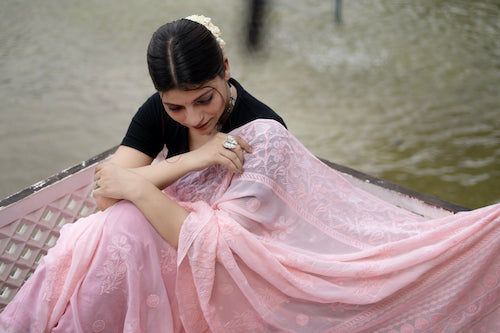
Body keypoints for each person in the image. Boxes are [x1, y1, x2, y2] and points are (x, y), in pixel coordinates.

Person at [1, 15, 499, 333]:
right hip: (165, 250)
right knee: (107, 227)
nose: (194, 118)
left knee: (119, 227)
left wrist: (138, 183)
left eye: (205, 99)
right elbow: (107, 190)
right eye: (176, 107)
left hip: (233, 267)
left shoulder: (264, 132)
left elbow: (223, 246)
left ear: (225, 69)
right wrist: (194, 158)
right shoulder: (161, 111)